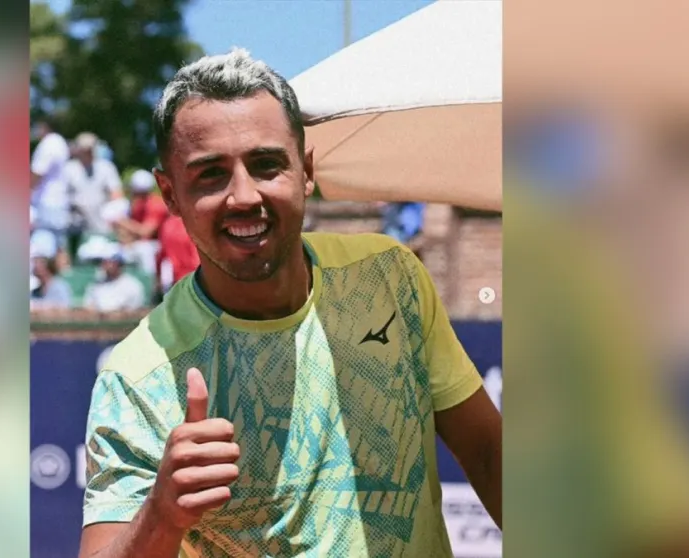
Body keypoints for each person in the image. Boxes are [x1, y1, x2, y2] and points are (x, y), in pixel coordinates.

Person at [79, 49, 501, 558]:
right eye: (210, 173)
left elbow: (488, 453)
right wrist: (161, 515)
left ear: (305, 171)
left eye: (266, 165)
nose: (244, 196)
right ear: (170, 194)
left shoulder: (388, 276)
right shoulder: (137, 375)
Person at [64, 132, 124, 240]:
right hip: (76, 226)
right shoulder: (69, 169)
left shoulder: (106, 167)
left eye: (90, 149)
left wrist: (114, 213)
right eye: (85, 150)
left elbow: (116, 193)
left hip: (102, 226)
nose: (88, 152)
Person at [113, 169, 170, 275]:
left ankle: (149, 280)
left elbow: (145, 232)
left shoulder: (156, 204)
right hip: (140, 244)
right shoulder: (136, 205)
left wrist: (122, 222)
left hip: (161, 248)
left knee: (144, 249)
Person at [30, 116, 71, 249]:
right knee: (59, 245)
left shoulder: (48, 143)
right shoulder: (60, 142)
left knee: (44, 248)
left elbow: (38, 173)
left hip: (47, 202)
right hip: (58, 201)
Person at [82, 243, 147, 314]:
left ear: (118, 263)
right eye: (103, 262)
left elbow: (135, 311)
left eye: (108, 262)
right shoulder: (95, 284)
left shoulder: (132, 285)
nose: (104, 265)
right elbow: (88, 307)